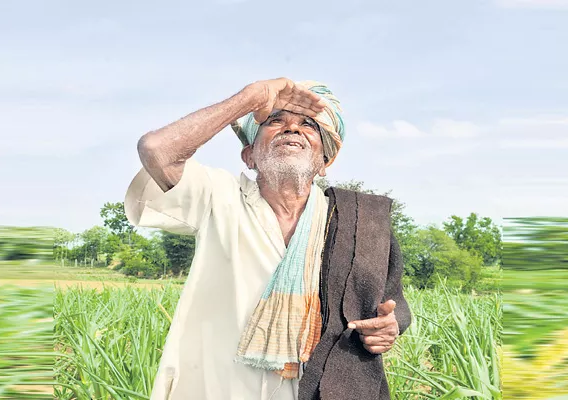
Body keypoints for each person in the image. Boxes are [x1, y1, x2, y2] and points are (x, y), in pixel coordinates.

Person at [124, 78, 412, 400]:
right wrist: (252, 97)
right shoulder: (218, 197)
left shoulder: (358, 221)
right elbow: (156, 150)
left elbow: (393, 302)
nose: (292, 129)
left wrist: (391, 326)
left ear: (325, 162)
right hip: (220, 388)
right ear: (249, 156)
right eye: (275, 121)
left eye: (308, 125)